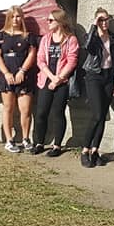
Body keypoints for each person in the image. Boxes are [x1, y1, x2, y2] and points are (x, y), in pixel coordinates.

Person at [78, 8, 114, 168]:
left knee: (103, 115)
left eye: (106, 19)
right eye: (101, 20)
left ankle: (95, 150)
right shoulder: (92, 36)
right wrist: (93, 26)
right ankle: (85, 150)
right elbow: (87, 46)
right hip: (94, 76)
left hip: (108, 77)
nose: (104, 22)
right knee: (96, 114)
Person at [31, 9, 79, 156]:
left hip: (62, 81)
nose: (48, 22)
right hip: (46, 79)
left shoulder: (70, 39)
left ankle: (57, 146)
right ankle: (39, 143)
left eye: (51, 20)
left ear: (60, 21)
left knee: (58, 112)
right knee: (41, 112)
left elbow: (72, 61)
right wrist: (51, 77)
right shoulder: (46, 39)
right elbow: (40, 60)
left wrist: (59, 78)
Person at [0, 5, 36, 152]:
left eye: (18, 16)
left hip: (23, 75)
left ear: (22, 18)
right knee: (8, 108)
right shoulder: (0, 35)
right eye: (12, 16)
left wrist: (22, 71)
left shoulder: (28, 36)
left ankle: (26, 139)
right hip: (6, 76)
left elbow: (32, 54)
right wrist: (6, 73)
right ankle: (9, 140)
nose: (15, 19)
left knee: (25, 109)